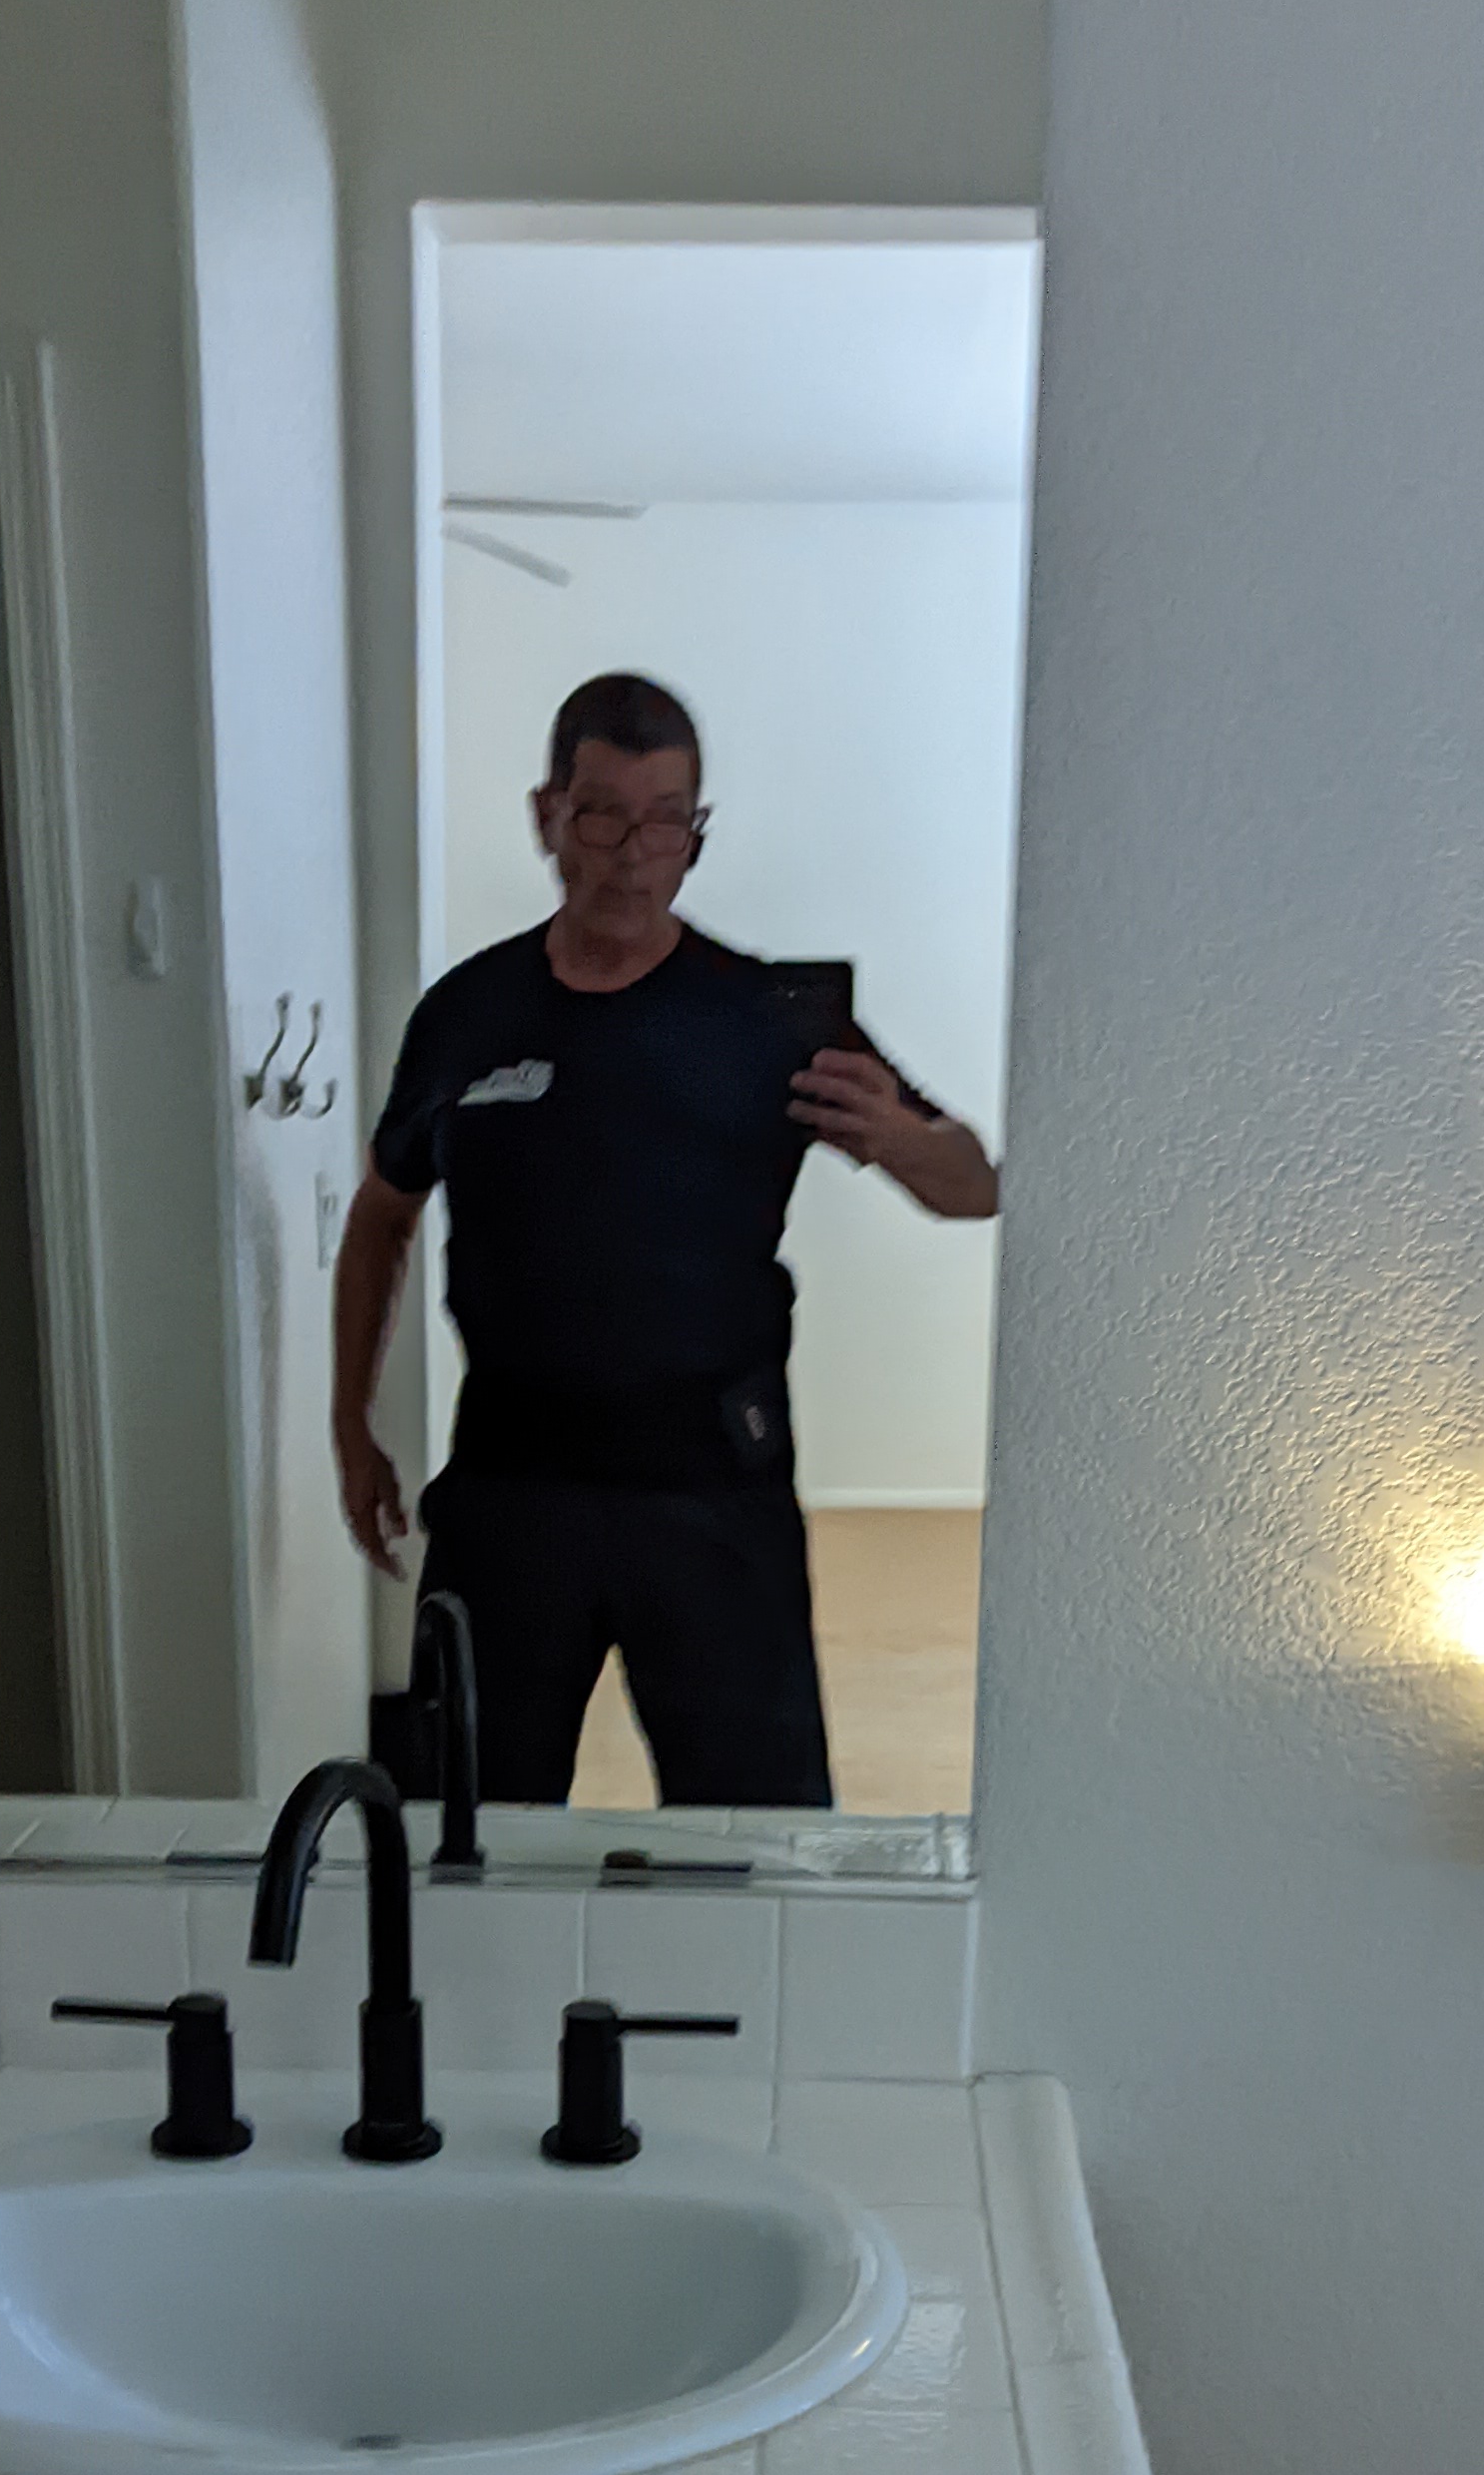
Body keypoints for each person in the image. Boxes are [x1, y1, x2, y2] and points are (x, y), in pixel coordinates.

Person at [331, 669, 999, 1806]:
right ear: (548, 816)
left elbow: (972, 1188)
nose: (635, 855)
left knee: (756, 1833)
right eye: (603, 816)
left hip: (712, 1488)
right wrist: (352, 1425)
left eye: (667, 822)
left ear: (696, 831)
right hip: (512, 1482)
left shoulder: (765, 1018)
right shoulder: (467, 1016)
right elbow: (382, 1214)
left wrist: (898, 1137)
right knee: (467, 1831)